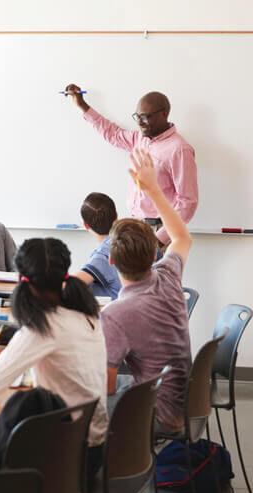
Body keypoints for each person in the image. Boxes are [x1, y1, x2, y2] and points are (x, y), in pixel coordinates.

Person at [0, 237, 108, 481]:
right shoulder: (86, 315)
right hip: (92, 452)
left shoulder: (42, 327)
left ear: (23, 280)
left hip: (64, 462)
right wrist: (11, 349)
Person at [101, 149, 193, 434]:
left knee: (73, 406)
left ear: (111, 261)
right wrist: (153, 190)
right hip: (185, 405)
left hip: (157, 417)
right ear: (155, 254)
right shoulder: (168, 275)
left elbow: (106, 387)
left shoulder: (115, 314)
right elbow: (181, 236)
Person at [64, 84, 198, 248]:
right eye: (138, 117)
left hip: (159, 229)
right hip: (134, 227)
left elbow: (187, 202)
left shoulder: (179, 149)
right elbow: (112, 133)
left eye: (146, 117)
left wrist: (159, 239)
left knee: (154, 275)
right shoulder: (140, 139)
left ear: (164, 113)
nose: (140, 123)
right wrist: (82, 105)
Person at [71, 192, 122, 299]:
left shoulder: (103, 254)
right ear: (116, 216)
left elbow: (68, 285)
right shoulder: (138, 239)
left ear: (86, 225)